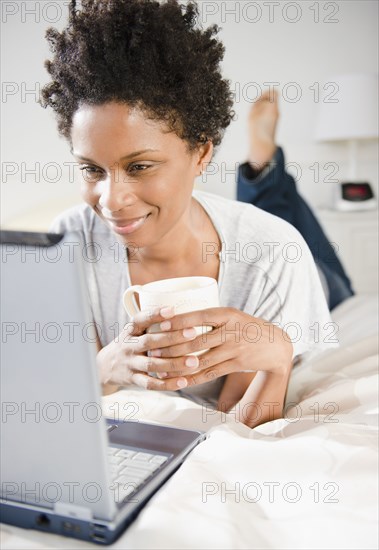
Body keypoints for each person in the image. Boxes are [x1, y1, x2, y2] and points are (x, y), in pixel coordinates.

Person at [41, 0, 336, 429]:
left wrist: (277, 359)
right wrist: (104, 367)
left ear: (201, 153)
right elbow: (62, 395)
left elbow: (241, 432)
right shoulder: (69, 241)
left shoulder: (272, 254)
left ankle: (263, 163)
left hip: (303, 273)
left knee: (315, 256)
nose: (111, 199)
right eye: (91, 169)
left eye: (139, 166)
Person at [237, 90, 355, 311]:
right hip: (327, 290)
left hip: (316, 290)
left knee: (279, 206)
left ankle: (263, 171)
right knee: (283, 196)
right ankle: (263, 170)